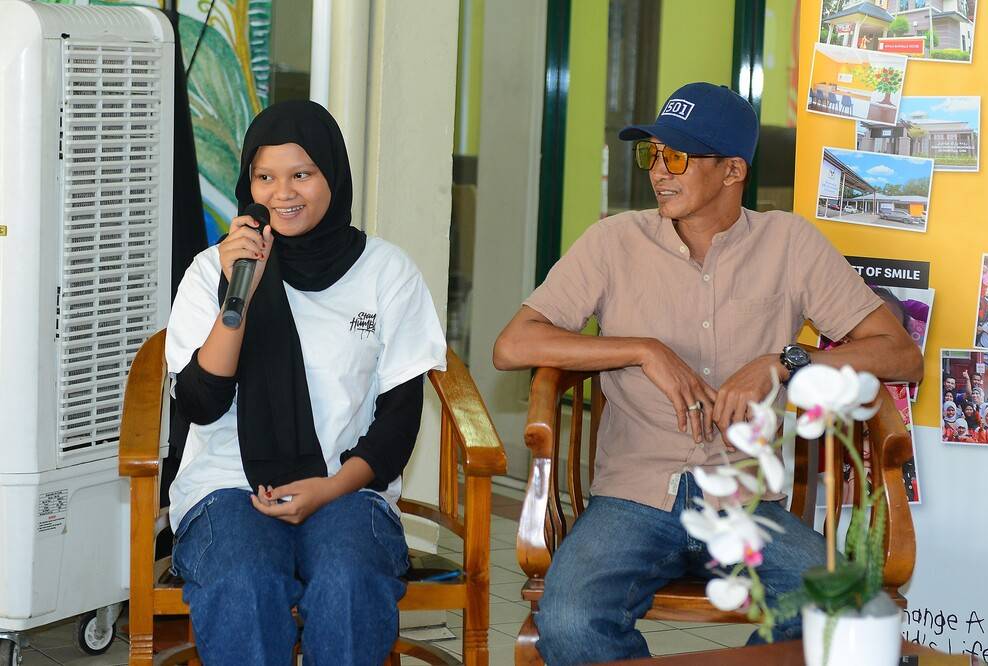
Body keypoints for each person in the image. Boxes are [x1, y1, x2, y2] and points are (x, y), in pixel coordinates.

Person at [493, 82, 923, 665]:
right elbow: (514, 344)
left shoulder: (789, 243)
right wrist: (643, 349)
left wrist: (785, 362)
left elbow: (900, 354)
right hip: (633, 497)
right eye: (653, 154)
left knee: (842, 609)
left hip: (748, 499)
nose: (659, 172)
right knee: (568, 622)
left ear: (733, 170)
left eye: (677, 157)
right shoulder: (613, 242)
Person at [165, 100, 446, 664]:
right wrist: (235, 294)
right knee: (244, 578)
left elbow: (398, 423)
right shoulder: (212, 269)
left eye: (302, 175)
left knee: (348, 577)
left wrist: (330, 487)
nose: (282, 194)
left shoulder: (386, 272)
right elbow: (199, 400)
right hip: (226, 488)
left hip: (347, 488)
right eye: (265, 177)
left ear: (332, 176)